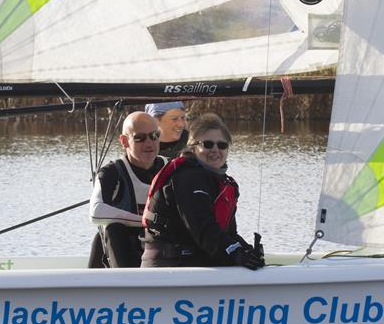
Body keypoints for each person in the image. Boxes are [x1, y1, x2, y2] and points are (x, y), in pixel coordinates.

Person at [141, 113, 264, 270]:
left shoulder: (222, 183)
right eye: (207, 144)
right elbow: (203, 229)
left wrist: (246, 250)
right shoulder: (188, 178)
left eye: (222, 145)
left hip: (196, 262)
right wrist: (235, 253)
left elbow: (228, 233)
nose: (215, 150)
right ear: (193, 147)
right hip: (169, 267)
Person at [88, 112, 166, 268]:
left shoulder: (170, 168)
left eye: (154, 135)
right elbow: (95, 212)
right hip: (124, 251)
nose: (149, 143)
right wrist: (144, 221)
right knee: (112, 229)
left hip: (159, 248)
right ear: (124, 141)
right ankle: (125, 287)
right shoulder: (112, 172)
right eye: (140, 138)